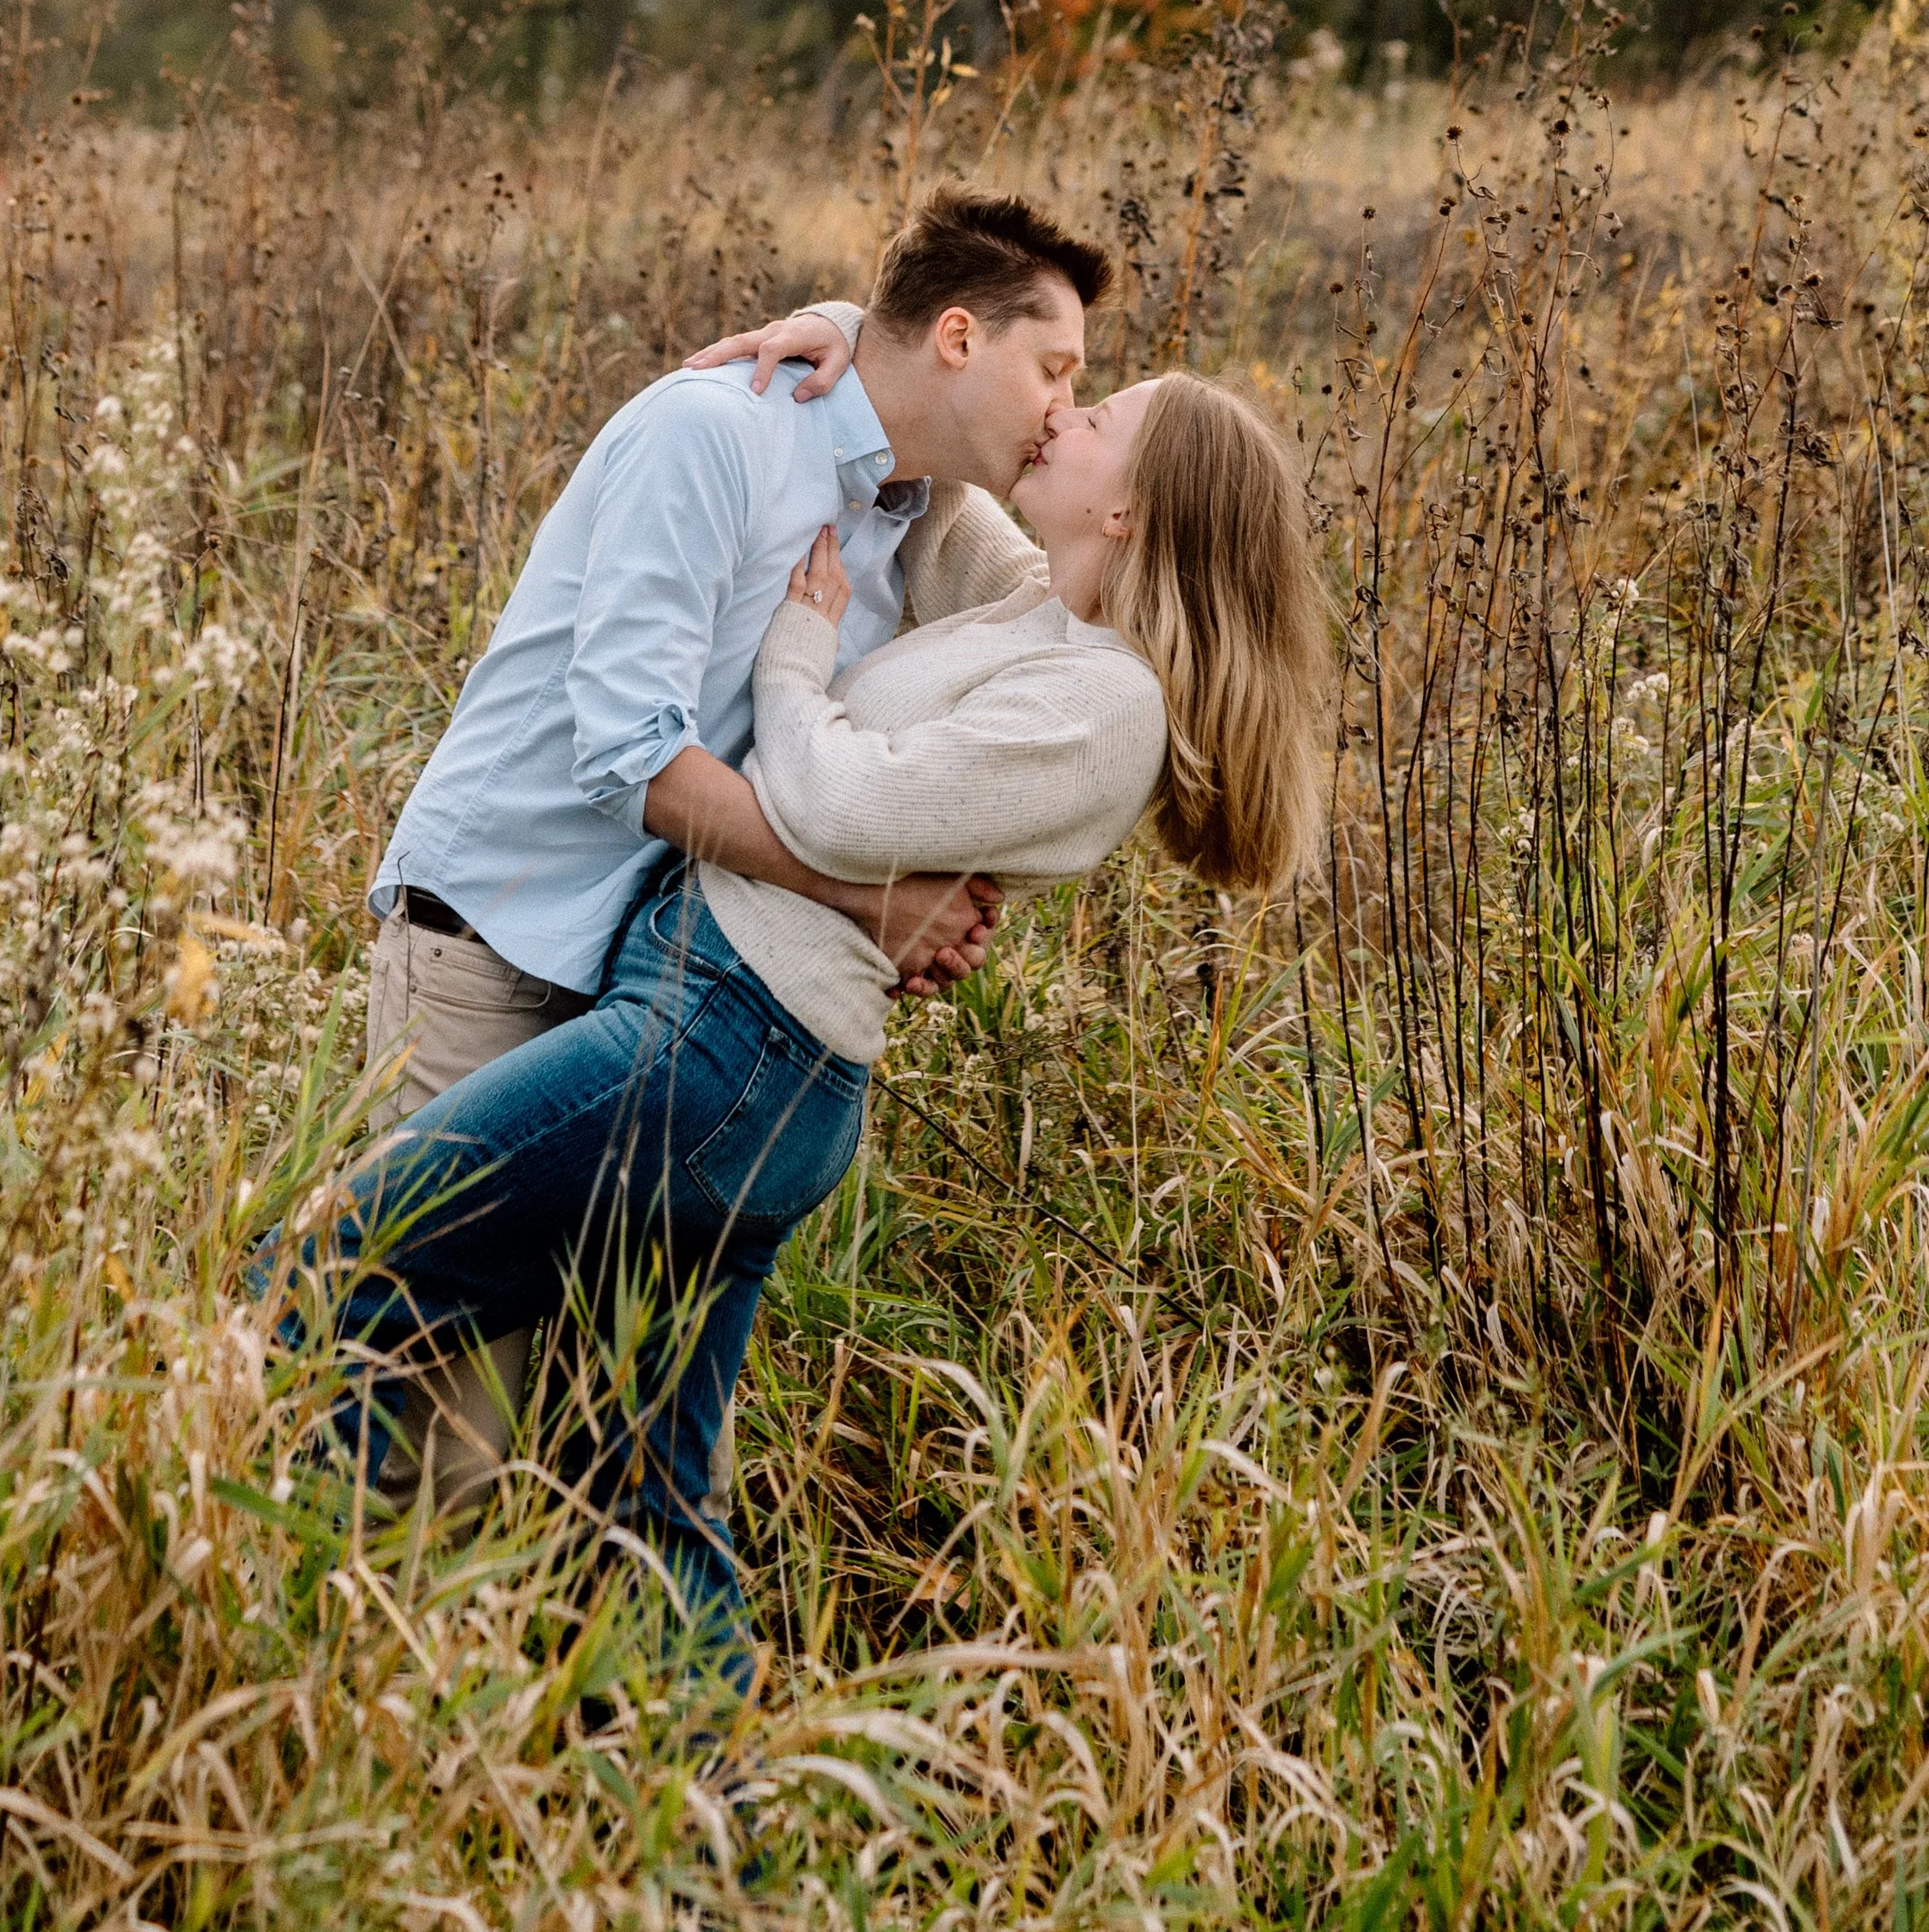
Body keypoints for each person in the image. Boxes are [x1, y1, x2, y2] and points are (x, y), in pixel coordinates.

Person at [292, 249, 1331, 1683]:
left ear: (1130, 507)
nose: (1063, 413)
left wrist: (798, 652)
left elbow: (837, 801)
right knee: (636, 1497)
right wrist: (852, 329)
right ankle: (679, 1811)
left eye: (1093, 410)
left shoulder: (1107, 702)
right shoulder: (1034, 598)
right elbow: (929, 423)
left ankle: (332, 1678)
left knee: (340, 1265)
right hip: (712, 1020)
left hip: (728, 1043)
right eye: (1062, 378)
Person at [344, 188, 1108, 1514]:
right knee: (436, 1438)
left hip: (660, 990)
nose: (1063, 406)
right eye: (1057, 367)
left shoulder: (911, 510)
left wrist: (843, 319)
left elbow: (1087, 605)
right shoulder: (716, 432)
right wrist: (864, 899)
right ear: (961, 337)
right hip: (497, 944)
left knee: (601, 1457)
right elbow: (628, 755)